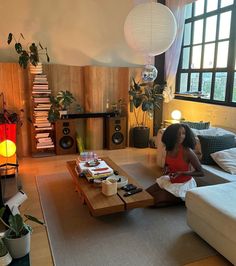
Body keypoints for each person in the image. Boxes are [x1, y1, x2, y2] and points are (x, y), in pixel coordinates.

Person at [146, 123, 204, 207]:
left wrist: (182, 173)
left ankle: (181, 199)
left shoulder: (187, 151)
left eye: (183, 133)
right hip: (171, 180)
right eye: (178, 133)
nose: (181, 136)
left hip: (184, 184)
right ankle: (174, 198)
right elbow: (167, 164)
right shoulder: (169, 147)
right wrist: (166, 169)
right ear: (171, 135)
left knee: (152, 202)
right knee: (145, 195)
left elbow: (201, 172)